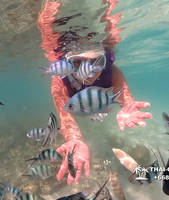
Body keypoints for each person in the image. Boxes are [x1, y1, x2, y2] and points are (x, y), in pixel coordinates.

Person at [38, 0, 153, 185]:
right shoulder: (60, 82)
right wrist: (75, 139)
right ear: (67, 63)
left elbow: (124, 97)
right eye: (77, 63)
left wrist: (127, 105)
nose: (88, 70)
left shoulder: (112, 72)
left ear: (104, 59)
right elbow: (66, 118)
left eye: (95, 62)